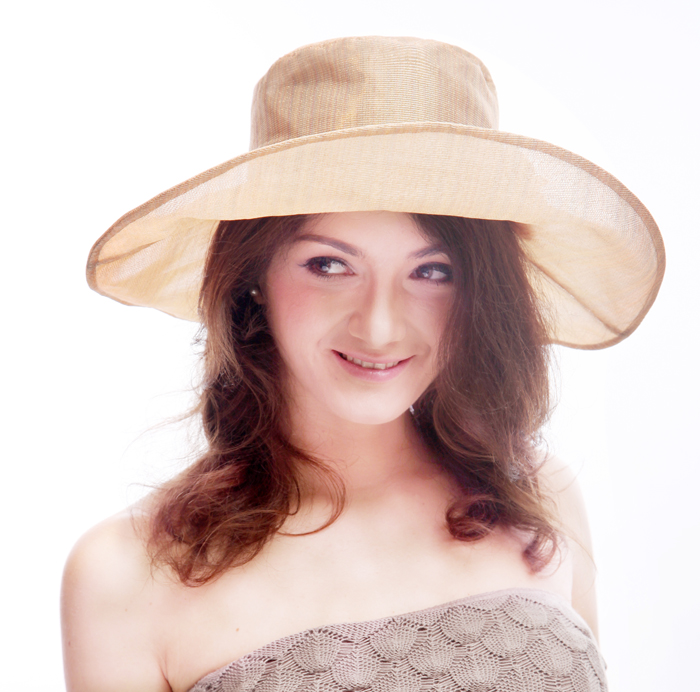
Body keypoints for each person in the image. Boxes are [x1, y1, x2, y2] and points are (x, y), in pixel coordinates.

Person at [61, 37, 664, 692]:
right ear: (254, 275)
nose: (379, 325)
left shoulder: (541, 497)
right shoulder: (126, 577)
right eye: (329, 265)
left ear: (480, 291)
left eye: (432, 271)